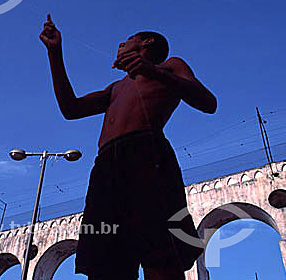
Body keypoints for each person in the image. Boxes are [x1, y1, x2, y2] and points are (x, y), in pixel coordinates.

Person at [39, 14, 217, 280]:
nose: (120, 44)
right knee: (104, 260)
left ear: (147, 42)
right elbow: (70, 108)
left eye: (127, 40)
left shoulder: (170, 65)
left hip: (147, 154)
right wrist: (55, 53)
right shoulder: (116, 87)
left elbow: (208, 102)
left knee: (161, 252)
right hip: (106, 165)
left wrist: (151, 70)